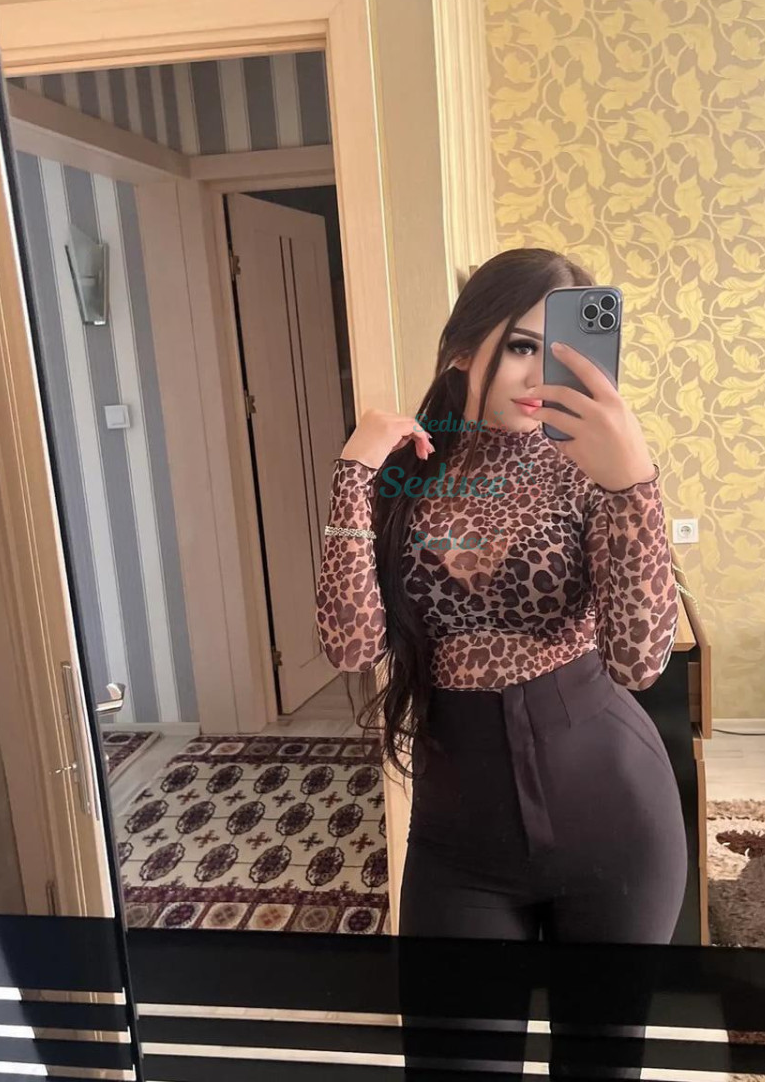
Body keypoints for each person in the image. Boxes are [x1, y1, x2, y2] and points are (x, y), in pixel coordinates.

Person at [315, 248, 687, 1078]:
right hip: (460, 840)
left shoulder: (592, 465)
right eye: (520, 345)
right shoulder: (407, 473)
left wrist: (634, 483)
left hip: (615, 818)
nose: (539, 373)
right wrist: (353, 473)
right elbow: (352, 645)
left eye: (559, 351)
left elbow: (638, 660)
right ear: (461, 348)